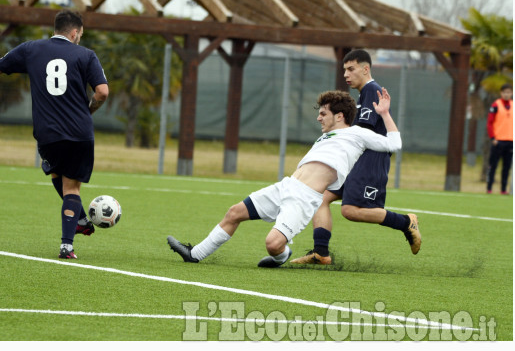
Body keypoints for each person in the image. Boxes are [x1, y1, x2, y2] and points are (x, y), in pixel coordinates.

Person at [167, 88, 415, 268]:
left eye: (323, 113)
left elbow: (395, 143)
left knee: (272, 245)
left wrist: (384, 114)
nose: (319, 117)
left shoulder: (358, 133)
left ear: (339, 116)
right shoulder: (325, 136)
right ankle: (195, 254)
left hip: (304, 198)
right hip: (286, 186)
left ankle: (282, 255)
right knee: (234, 213)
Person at [0, 9, 109, 260]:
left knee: (56, 173)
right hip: (79, 132)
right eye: (80, 34)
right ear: (74, 33)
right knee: (72, 188)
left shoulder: (31, 49)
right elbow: (102, 92)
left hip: (47, 132)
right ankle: (67, 245)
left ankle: (80, 219)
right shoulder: (87, 55)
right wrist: (89, 109)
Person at [296, 49, 420, 265]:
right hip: (355, 160)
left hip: (370, 161)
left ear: (366, 69)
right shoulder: (363, 94)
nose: (346, 74)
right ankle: (321, 253)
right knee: (320, 197)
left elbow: (362, 132)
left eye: (351, 69)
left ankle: (406, 222)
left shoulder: (372, 90)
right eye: (344, 69)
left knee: (351, 211)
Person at [486, 83, 513, 195]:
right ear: (501, 93)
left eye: (509, 92)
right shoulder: (496, 105)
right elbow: (490, 123)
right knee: (493, 166)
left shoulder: (513, 105)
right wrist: (493, 138)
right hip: (498, 141)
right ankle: (489, 188)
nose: (507, 94)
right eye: (505, 92)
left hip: (510, 141)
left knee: (506, 168)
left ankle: (503, 189)